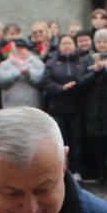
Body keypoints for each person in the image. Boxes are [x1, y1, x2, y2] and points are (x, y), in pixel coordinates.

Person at [81, 29, 107, 186]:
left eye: (105, 41)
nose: (102, 45)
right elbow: (82, 80)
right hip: (93, 106)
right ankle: (100, 173)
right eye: (99, 42)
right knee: (96, 142)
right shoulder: (88, 59)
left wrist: (105, 69)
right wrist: (95, 71)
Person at [42, 34, 87, 179]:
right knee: (60, 140)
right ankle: (60, 169)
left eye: (70, 43)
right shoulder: (51, 62)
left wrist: (77, 84)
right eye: (64, 43)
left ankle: (76, 170)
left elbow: (87, 79)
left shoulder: (82, 62)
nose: (67, 46)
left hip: (77, 106)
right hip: (57, 107)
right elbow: (46, 83)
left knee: (76, 140)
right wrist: (61, 88)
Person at [0, 41, 46, 110]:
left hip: (33, 107)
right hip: (10, 106)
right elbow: (0, 79)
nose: (20, 51)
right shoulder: (5, 64)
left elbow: (41, 79)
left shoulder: (37, 62)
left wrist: (29, 74)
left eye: (22, 48)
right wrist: (17, 73)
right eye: (17, 48)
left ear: (28, 50)